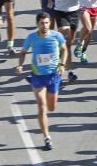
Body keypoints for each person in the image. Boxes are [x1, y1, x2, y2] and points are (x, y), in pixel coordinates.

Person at [17, 12, 67, 150]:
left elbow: (64, 50)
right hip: (38, 76)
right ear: (37, 24)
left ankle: (56, 87)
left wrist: (62, 65)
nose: (44, 26)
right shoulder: (31, 37)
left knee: (52, 108)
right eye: (41, 23)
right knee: (42, 107)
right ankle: (47, 137)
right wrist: (20, 65)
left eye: (46, 23)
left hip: (53, 76)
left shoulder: (57, 36)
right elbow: (22, 52)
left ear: (50, 23)